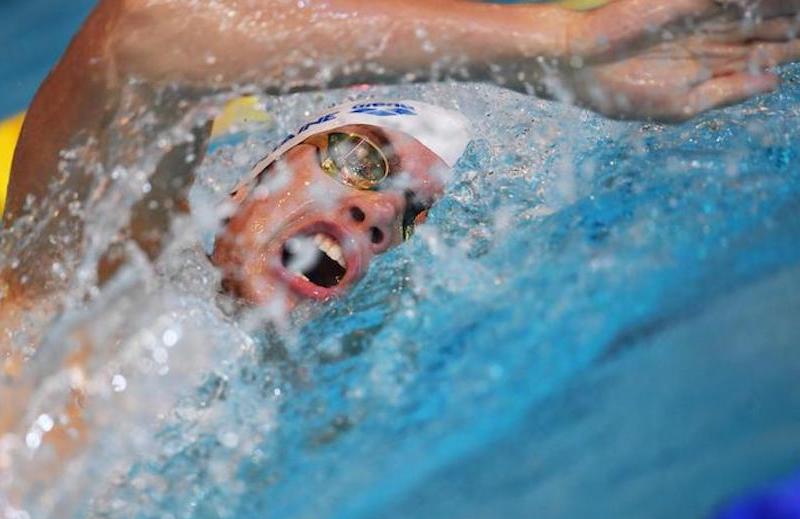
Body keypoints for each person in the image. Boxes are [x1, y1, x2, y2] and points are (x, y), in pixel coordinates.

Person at [3, 0, 800, 315]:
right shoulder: (70, 295)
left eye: (405, 220)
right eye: (361, 160)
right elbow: (144, 33)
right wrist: (558, 50)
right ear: (250, 178)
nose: (379, 211)